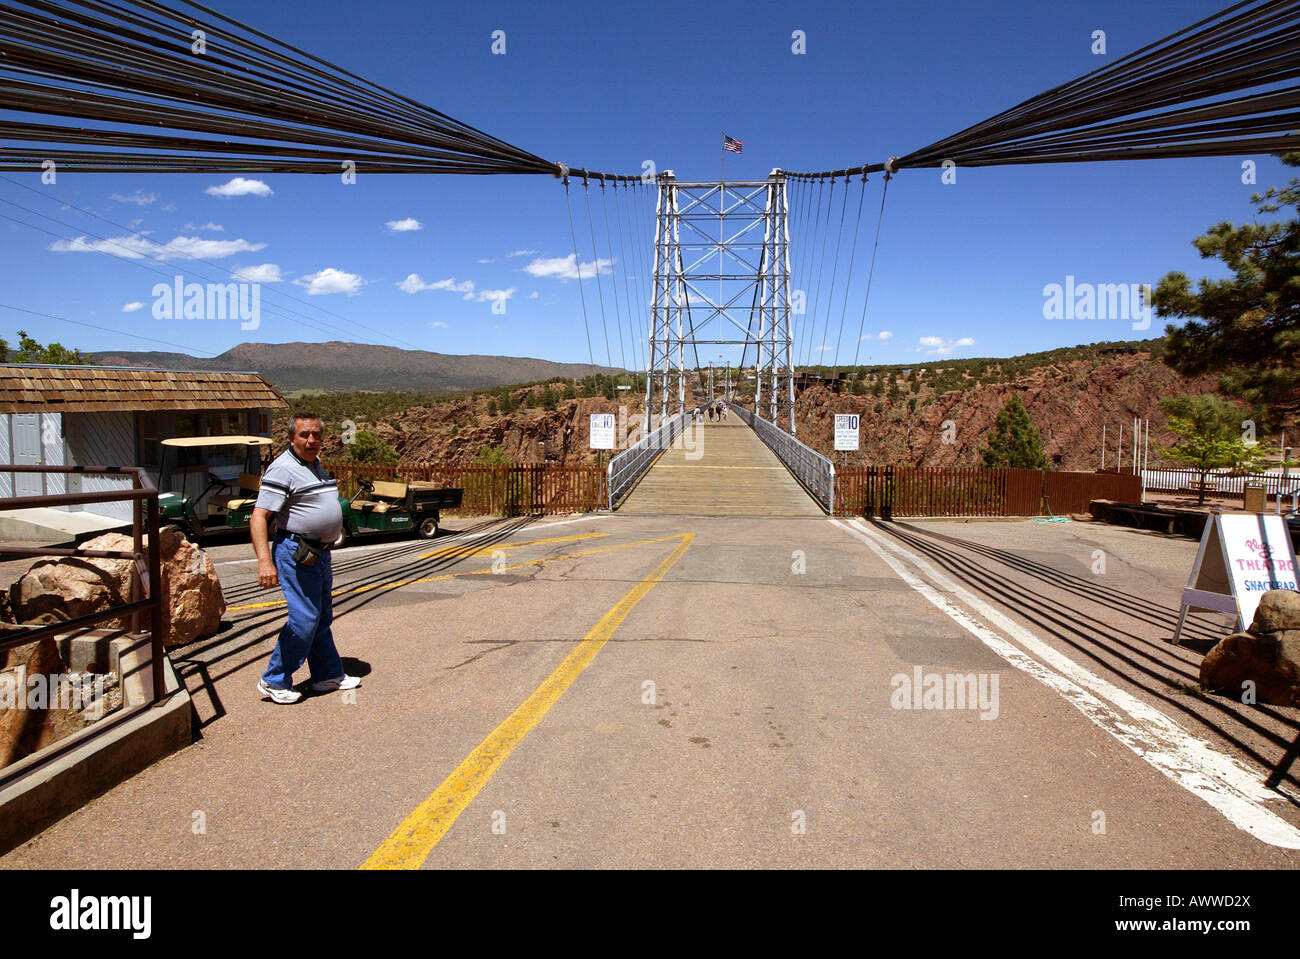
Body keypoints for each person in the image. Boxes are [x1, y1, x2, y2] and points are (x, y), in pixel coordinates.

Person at [250, 412, 360, 704]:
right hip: (296, 552)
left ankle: (327, 675)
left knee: (321, 615)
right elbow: (260, 516)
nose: (311, 440)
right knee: (304, 619)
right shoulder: (283, 469)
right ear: (291, 438)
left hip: (319, 554)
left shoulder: (314, 464)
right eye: (304, 435)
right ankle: (274, 680)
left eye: (316, 435)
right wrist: (264, 561)